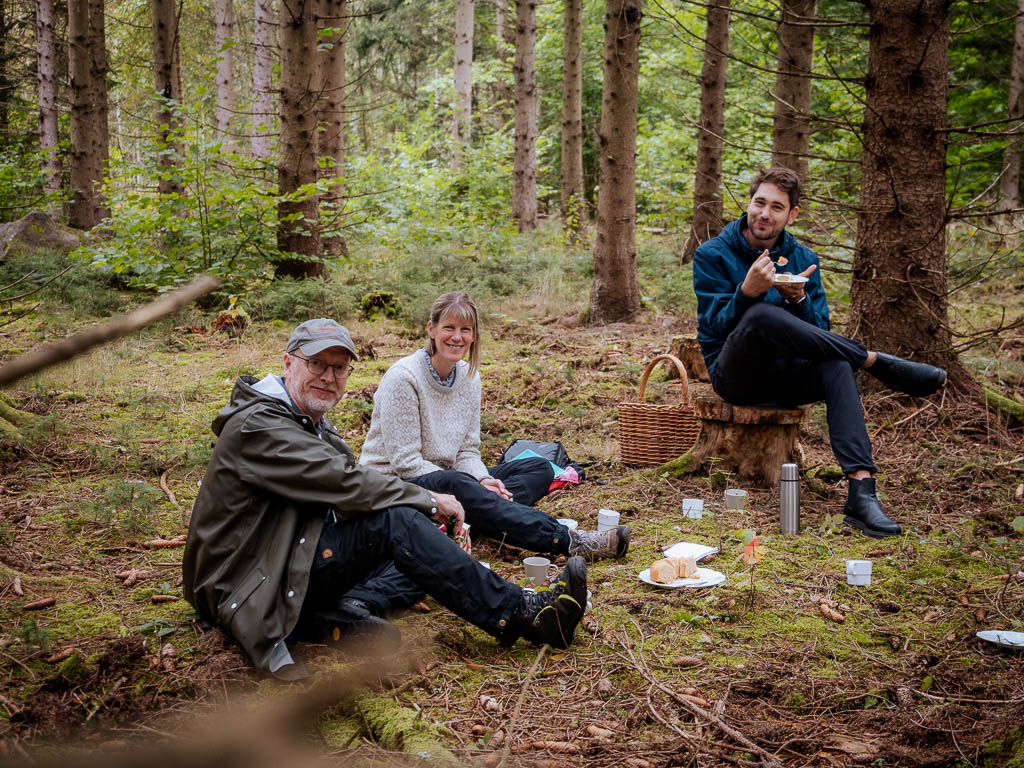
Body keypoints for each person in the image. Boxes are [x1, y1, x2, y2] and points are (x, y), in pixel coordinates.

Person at [182, 318, 588, 681]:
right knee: (402, 524)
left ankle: (340, 611)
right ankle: (524, 613)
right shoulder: (260, 425)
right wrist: (427, 500)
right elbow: (344, 481)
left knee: (422, 545)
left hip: (287, 559)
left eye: (339, 368)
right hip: (244, 585)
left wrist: (431, 523)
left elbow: (345, 501)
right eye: (317, 364)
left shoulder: (308, 423)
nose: (328, 376)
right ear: (288, 364)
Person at [342, 291, 629, 623]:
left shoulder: (469, 378)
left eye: (466, 330)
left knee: (535, 468)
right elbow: (406, 463)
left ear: (474, 335)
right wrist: (464, 485)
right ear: (431, 329)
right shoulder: (403, 378)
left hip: (452, 481)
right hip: (397, 486)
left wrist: (482, 479)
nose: (457, 337)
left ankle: (470, 514)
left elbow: (466, 450)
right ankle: (569, 540)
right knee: (459, 485)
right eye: (449, 327)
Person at [692, 167, 947, 538]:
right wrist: (746, 293)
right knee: (762, 312)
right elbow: (714, 328)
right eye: (759, 202)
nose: (764, 213)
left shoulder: (803, 257)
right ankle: (874, 361)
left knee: (835, 360)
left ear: (791, 215)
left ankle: (862, 491)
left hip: (788, 375)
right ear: (749, 204)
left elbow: (820, 334)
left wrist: (798, 302)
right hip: (736, 376)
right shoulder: (713, 254)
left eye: (776, 207)